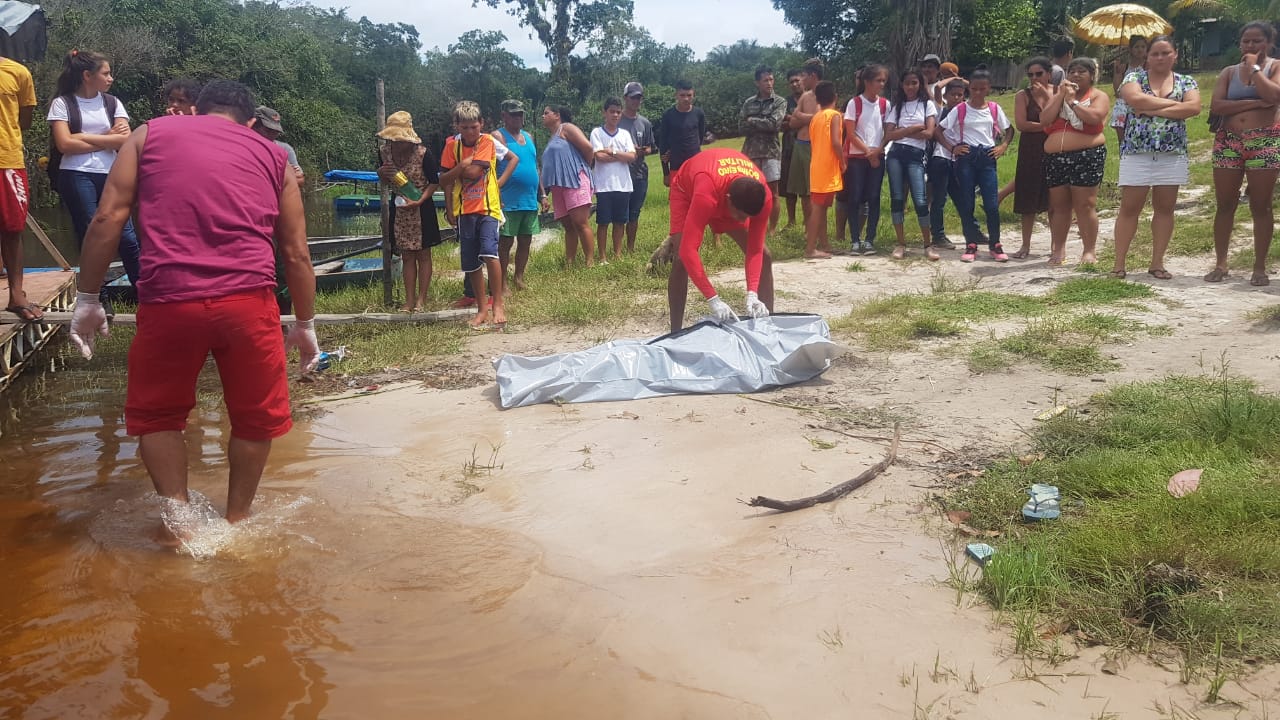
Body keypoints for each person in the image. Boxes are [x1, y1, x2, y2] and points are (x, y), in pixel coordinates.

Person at [67, 80, 319, 536]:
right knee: (254, 417)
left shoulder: (148, 134)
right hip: (249, 302)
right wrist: (304, 324)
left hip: (168, 300)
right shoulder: (274, 155)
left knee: (159, 415)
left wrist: (87, 299)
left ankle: (182, 523)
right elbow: (297, 252)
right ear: (250, 121)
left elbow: (107, 217)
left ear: (196, 111)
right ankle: (238, 520)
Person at [47, 49, 140, 294]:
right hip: (76, 174)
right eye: (106, 73)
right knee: (91, 233)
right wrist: (106, 137)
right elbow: (64, 145)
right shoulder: (62, 103)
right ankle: (93, 293)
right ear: (88, 75)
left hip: (112, 173)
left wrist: (83, 137)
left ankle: (144, 291)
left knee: (127, 236)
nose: (111, 79)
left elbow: (125, 141)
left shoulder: (112, 103)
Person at [1111, 35, 1200, 280]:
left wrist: (1150, 108)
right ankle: (1119, 264)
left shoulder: (1186, 81)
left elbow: (1193, 108)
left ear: (1175, 55)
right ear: (1147, 56)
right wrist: (1173, 106)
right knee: (1129, 208)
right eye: (1155, 54)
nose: (1160, 58)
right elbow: (1134, 99)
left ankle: (1157, 262)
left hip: (1171, 154)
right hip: (1136, 152)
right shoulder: (1134, 77)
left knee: (1165, 209)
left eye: (1165, 53)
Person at [666, 148, 774, 333]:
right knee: (681, 260)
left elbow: (755, 250)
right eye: (740, 215)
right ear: (728, 200)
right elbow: (688, 251)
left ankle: (767, 324)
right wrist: (712, 298)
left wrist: (752, 293)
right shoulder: (705, 192)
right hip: (689, 192)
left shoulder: (763, 197)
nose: (742, 221)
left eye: (747, 217)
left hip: (723, 194)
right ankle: (675, 332)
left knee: (765, 255)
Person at [1206, 21, 1280, 287]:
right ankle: (1221, 262)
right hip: (1228, 140)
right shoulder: (1228, 72)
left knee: (1261, 205)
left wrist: (1256, 69)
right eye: (1246, 41)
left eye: (1257, 41)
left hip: (1264, 139)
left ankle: (1259, 267)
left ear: (1269, 43)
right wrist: (1255, 103)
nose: (1250, 46)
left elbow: (1274, 95)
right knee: (1225, 204)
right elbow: (1217, 105)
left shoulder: (1275, 67)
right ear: (1239, 44)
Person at [441, 100, 507, 328]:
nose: (470, 132)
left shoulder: (487, 142)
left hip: (487, 208)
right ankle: (481, 309)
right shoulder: (451, 147)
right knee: (471, 263)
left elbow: (475, 171)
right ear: (457, 126)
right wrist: (459, 168)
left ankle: (497, 302)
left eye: (474, 127)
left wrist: (458, 170)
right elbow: (443, 180)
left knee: (490, 254)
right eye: (465, 127)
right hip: (464, 210)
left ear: (481, 124)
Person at [937, 69, 1014, 262]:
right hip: (967, 158)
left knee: (991, 204)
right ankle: (970, 244)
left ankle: (995, 244)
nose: (977, 92)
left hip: (987, 157)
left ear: (988, 88)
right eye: (973, 88)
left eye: (982, 88)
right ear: (968, 88)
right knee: (967, 202)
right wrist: (952, 147)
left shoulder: (994, 109)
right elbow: (939, 130)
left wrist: (1003, 146)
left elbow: (1009, 129)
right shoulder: (960, 109)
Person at [1040, 57, 1110, 266]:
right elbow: (1045, 119)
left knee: (1085, 204)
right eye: (1072, 71)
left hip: (1086, 155)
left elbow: (1094, 118)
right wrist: (1061, 96)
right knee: (1059, 206)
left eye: (1082, 71)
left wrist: (1072, 101)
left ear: (1092, 76)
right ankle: (1058, 250)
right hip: (1056, 158)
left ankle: (1089, 251)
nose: (1076, 75)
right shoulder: (1059, 95)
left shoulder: (1099, 96)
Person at [377, 110, 440, 311]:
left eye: (400, 140)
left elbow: (434, 182)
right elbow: (385, 179)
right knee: (407, 256)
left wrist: (420, 200)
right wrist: (381, 173)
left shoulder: (423, 154)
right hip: (401, 210)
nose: (396, 144)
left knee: (423, 254)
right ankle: (409, 300)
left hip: (422, 208)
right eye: (393, 140)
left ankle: (422, 299)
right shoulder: (384, 152)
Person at [885, 68, 939, 260]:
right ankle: (900, 244)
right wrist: (915, 128)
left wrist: (903, 131)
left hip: (916, 155)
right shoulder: (896, 106)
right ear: (901, 84)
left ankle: (928, 244)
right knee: (897, 199)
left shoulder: (927, 105)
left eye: (914, 83)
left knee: (920, 199)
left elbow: (929, 134)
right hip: (895, 155)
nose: (910, 87)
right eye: (907, 83)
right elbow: (889, 135)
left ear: (920, 84)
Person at [1003, 57, 1053, 259]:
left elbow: (1064, 116)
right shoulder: (1022, 96)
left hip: (1054, 149)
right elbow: (1022, 124)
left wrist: (1047, 98)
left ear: (1049, 73)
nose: (1034, 78)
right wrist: (1047, 126)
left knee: (1054, 199)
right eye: (1030, 74)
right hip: (1030, 149)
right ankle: (1025, 244)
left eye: (1039, 74)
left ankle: (1056, 245)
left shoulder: (1058, 92)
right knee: (1028, 196)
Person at [0, 52, 35, 320]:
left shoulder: (18, 73)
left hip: (7, 159)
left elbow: (24, 120)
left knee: (12, 228)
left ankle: (16, 295)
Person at [492, 99, 541, 290]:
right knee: (505, 242)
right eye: (513, 114)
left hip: (529, 199)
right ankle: (501, 282)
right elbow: (492, 167)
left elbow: (534, 166)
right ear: (504, 116)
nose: (518, 117)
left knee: (526, 239)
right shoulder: (497, 136)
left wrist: (542, 194)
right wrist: (497, 195)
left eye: (520, 113)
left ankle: (519, 278)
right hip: (508, 199)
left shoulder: (528, 136)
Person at [539, 105, 596, 267]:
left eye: (546, 113)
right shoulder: (551, 138)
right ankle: (569, 262)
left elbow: (588, 147)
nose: (543, 116)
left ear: (557, 115)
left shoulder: (566, 128)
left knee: (580, 222)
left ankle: (589, 261)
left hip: (575, 180)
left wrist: (584, 166)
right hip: (558, 186)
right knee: (568, 225)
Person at [841, 64, 889, 256]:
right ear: (867, 82)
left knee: (874, 197)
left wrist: (878, 150)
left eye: (884, 80)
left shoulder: (885, 104)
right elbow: (850, 134)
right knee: (855, 197)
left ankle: (870, 239)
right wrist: (869, 153)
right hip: (858, 158)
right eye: (878, 80)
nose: (882, 84)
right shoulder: (855, 103)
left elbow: (888, 131)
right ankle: (854, 239)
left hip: (877, 155)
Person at [740, 65, 789, 231]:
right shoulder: (748, 103)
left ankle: (772, 229)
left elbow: (774, 125)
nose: (769, 83)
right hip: (750, 152)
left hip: (771, 152)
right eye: (765, 80)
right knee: (749, 192)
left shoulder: (780, 101)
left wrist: (752, 121)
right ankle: (751, 226)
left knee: (773, 192)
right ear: (757, 83)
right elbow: (741, 127)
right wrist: (762, 122)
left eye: (771, 79)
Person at [591, 97, 637, 263]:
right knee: (603, 222)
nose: (615, 115)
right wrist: (618, 155)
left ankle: (617, 255)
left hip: (623, 185)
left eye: (618, 112)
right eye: (612, 111)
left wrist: (613, 152)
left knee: (620, 222)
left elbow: (632, 156)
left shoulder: (624, 134)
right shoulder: (596, 133)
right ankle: (603, 257)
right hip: (604, 186)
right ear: (605, 112)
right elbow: (599, 156)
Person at [928, 80, 969, 252]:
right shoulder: (940, 110)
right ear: (945, 96)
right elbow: (937, 87)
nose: (957, 98)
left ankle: (972, 231)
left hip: (956, 160)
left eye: (960, 95)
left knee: (962, 198)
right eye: (953, 94)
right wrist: (954, 76)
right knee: (939, 199)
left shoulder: (965, 112)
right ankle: (937, 235)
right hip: (941, 158)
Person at [806, 80, 845, 259]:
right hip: (827, 167)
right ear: (835, 97)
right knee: (818, 209)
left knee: (821, 208)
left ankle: (824, 244)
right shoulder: (834, 116)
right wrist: (843, 161)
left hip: (817, 166)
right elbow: (836, 143)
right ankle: (810, 249)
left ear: (818, 100)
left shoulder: (816, 117)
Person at [787, 58, 825, 231]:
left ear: (812, 76)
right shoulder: (805, 96)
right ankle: (807, 226)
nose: (801, 81)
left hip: (814, 146)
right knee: (802, 190)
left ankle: (815, 229)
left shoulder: (825, 93)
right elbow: (792, 122)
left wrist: (802, 117)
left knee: (813, 191)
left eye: (804, 76)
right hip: (799, 144)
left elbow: (823, 118)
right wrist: (806, 118)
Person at [618, 82, 655, 253]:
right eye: (633, 97)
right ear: (625, 98)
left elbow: (650, 147)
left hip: (639, 173)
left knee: (634, 213)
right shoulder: (617, 120)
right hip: (620, 173)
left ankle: (630, 249)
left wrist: (642, 151)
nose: (636, 101)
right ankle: (617, 250)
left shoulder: (645, 123)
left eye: (639, 97)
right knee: (620, 214)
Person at [658, 80, 708, 186]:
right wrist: (666, 173)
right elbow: (663, 145)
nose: (686, 99)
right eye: (682, 95)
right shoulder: (668, 115)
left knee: (697, 198)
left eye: (689, 95)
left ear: (694, 94)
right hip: (676, 165)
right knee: (678, 200)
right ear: (676, 95)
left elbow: (700, 136)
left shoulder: (699, 114)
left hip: (695, 164)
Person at [1110, 36, 1147, 146]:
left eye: (1143, 47)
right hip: (1124, 104)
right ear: (1130, 49)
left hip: (1142, 102)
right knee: (1122, 140)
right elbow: (1117, 91)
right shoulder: (1124, 67)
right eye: (1136, 47)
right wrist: (1117, 73)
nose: (1140, 50)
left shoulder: (1148, 65)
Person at [251, 106, 304, 184]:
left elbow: (300, 179)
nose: (272, 135)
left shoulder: (285, 149)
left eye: (276, 131)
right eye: (268, 130)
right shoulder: (244, 148)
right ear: (253, 125)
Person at [778, 69, 804, 228]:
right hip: (789, 148)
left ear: (803, 80)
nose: (794, 84)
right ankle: (791, 221)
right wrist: (802, 119)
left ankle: (809, 222)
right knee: (788, 187)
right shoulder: (784, 102)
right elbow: (780, 123)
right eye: (791, 82)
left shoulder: (812, 98)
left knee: (808, 189)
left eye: (797, 80)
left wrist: (793, 119)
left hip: (809, 147)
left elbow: (815, 119)